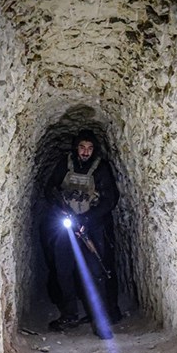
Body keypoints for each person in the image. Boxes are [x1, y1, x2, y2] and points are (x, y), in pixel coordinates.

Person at [42, 129, 121, 338]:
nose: (85, 152)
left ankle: (100, 320)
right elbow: (49, 189)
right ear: (76, 148)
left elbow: (110, 199)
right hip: (67, 226)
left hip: (91, 226)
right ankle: (70, 315)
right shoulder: (65, 164)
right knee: (63, 270)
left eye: (89, 148)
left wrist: (88, 219)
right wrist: (60, 209)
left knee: (95, 273)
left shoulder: (100, 168)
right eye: (82, 147)